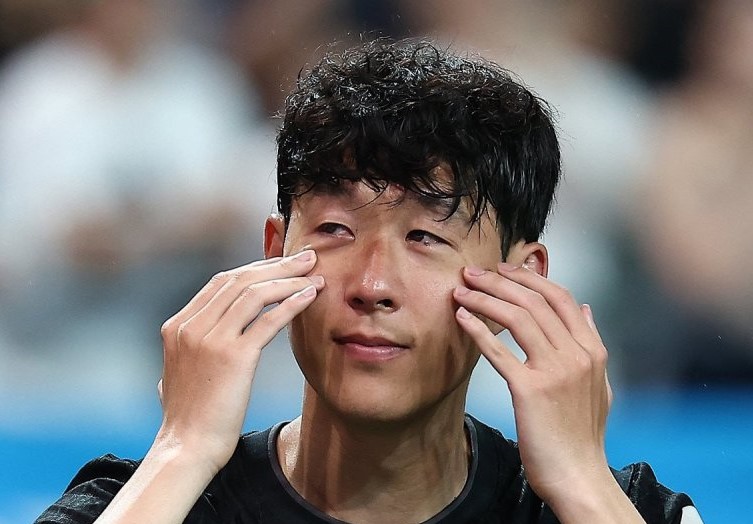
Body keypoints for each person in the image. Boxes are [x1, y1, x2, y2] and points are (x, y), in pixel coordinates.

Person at [35, 38, 701, 524]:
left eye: (425, 238)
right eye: (334, 229)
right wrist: (183, 452)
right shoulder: (139, 501)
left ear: (520, 282)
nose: (372, 284)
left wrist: (581, 485)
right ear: (274, 253)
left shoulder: (627, 509)